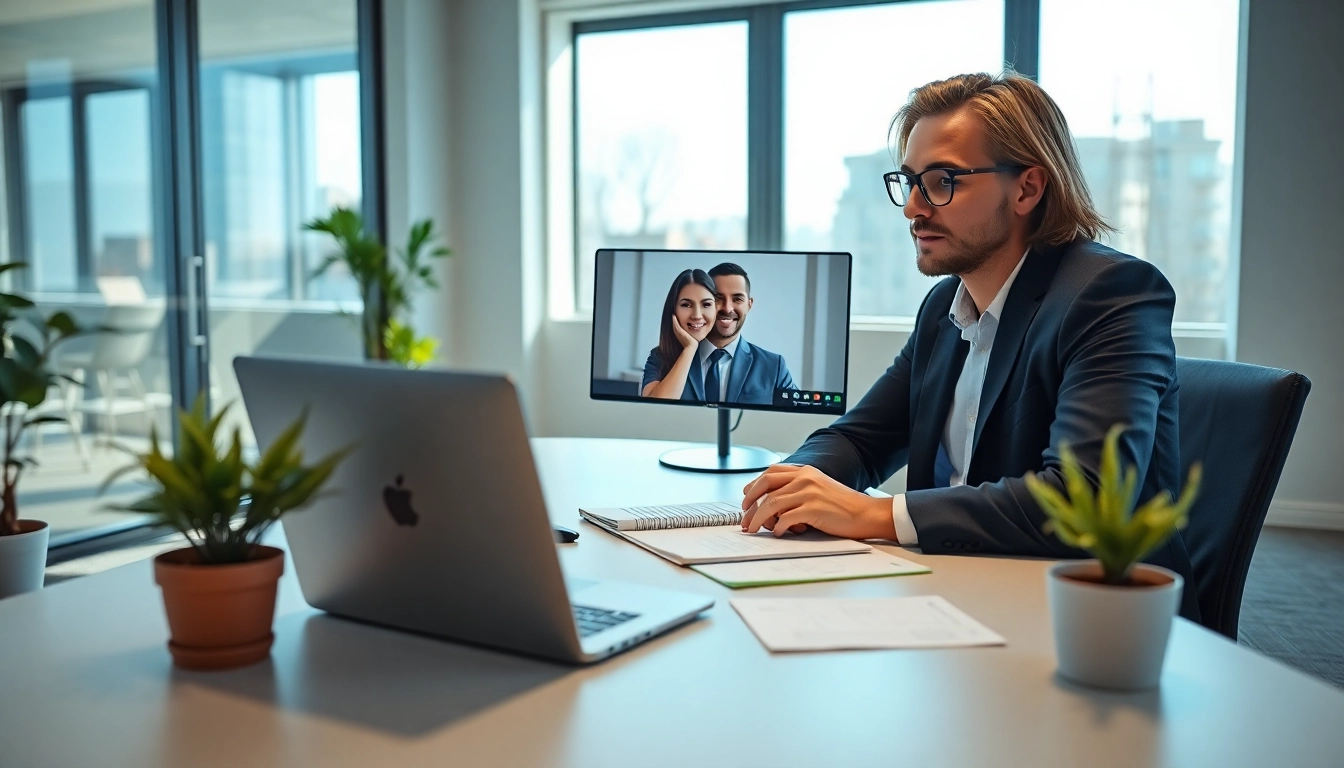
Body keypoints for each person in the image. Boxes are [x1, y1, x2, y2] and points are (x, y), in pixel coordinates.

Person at [739, 71, 1201, 621]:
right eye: (909, 181)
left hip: (1087, 615)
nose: (913, 208)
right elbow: (862, 441)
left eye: (941, 181)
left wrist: (873, 514)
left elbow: (1083, 498)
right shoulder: (943, 310)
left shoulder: (1111, 294)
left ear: (1028, 187)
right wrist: (792, 486)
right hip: (954, 590)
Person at [700, 262, 797, 405]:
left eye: (737, 299)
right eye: (718, 298)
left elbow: (799, 417)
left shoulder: (773, 366)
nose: (727, 308)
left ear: (749, 304)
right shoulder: (668, 359)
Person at [640, 269, 718, 400]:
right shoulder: (659, 356)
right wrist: (690, 348)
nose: (697, 315)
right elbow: (654, 405)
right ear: (673, 310)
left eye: (706, 304)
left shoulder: (725, 355)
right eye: (686, 305)